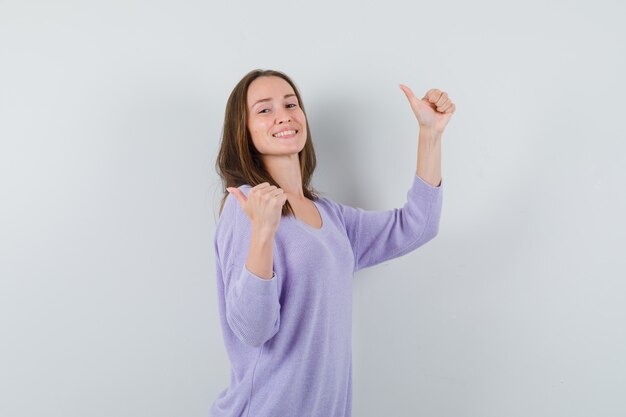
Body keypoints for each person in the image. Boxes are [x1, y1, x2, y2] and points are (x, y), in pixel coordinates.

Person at [210, 68, 455, 417]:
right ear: (244, 132)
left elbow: (418, 225)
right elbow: (253, 329)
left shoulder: (333, 218)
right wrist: (263, 233)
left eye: (291, 104)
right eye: (264, 109)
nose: (284, 116)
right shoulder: (247, 206)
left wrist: (430, 134)